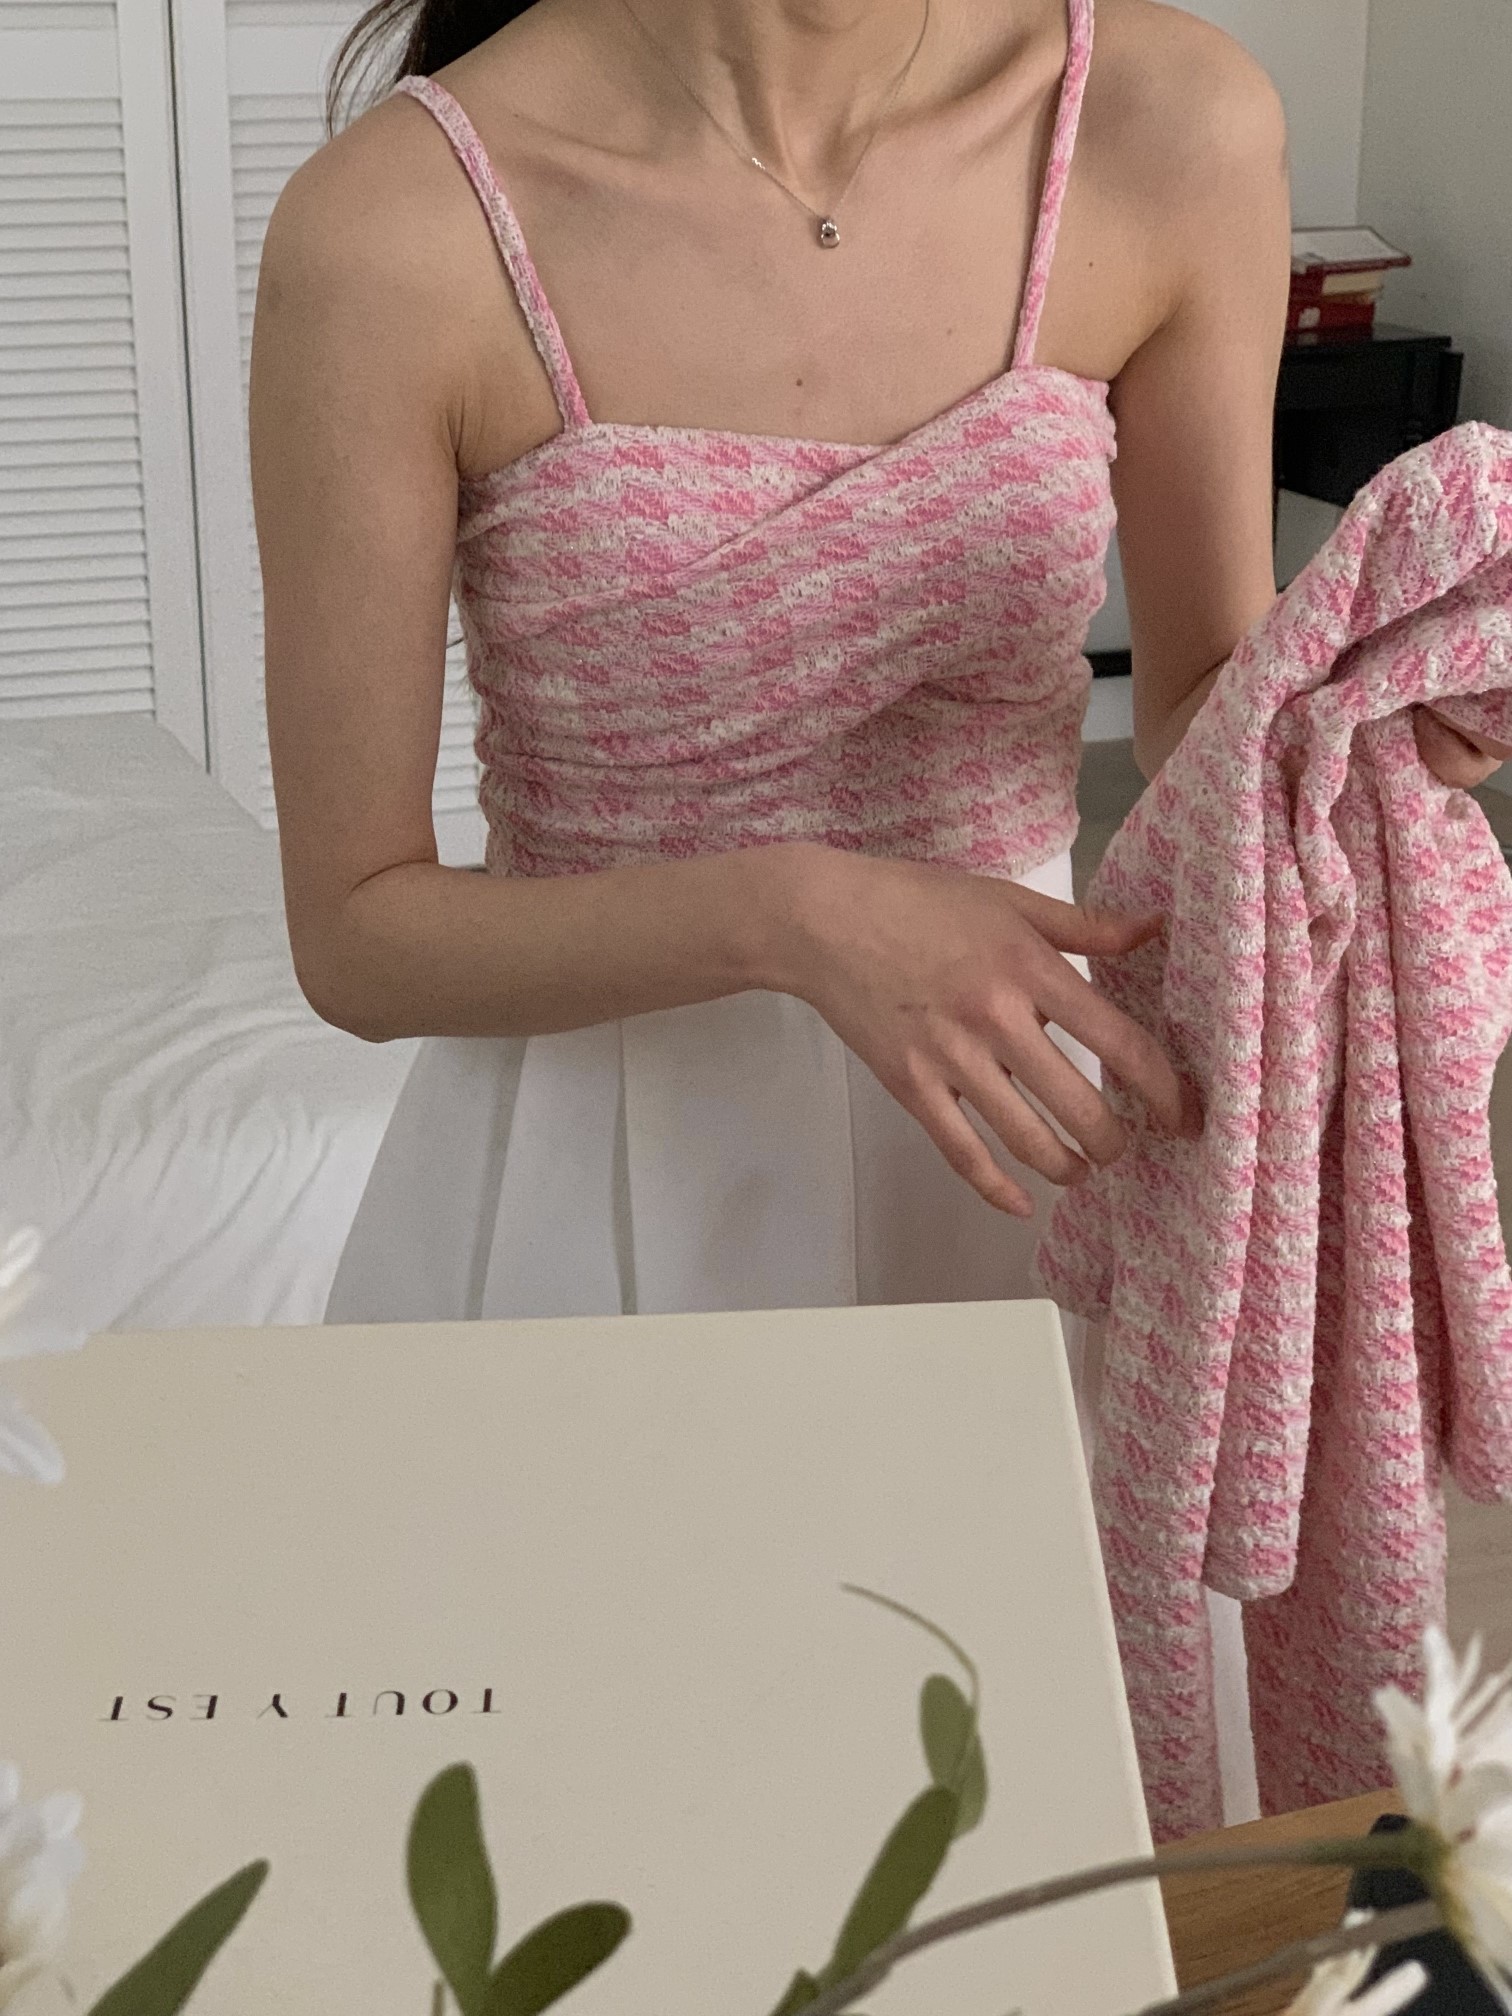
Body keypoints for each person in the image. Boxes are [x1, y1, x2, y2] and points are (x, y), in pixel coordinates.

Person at [251, 0, 1504, 1333]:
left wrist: (1377, 717)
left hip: (1020, 1123)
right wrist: (795, 917)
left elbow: (1204, 701)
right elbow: (357, 939)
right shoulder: (394, 226)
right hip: (601, 1170)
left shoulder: (1168, 122)